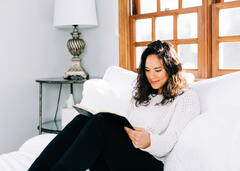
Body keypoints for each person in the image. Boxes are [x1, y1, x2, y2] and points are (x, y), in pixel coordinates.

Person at [28, 40, 200, 171]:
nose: (151, 76)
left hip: (150, 164)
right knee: (82, 120)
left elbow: (172, 139)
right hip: (122, 159)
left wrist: (149, 141)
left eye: (158, 70)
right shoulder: (143, 96)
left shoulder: (185, 97)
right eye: (147, 70)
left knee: (101, 123)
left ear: (170, 68)